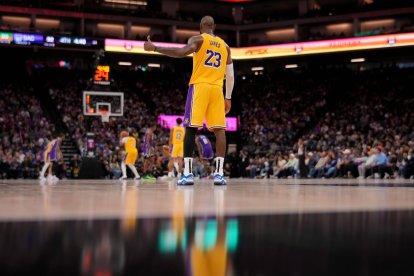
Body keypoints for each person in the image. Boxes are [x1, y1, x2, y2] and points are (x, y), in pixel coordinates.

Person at [144, 15, 234, 186]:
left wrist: (155, 48)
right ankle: (219, 174)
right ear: (213, 27)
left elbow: (181, 52)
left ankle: (187, 173)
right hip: (217, 90)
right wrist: (228, 97)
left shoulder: (198, 39)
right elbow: (230, 75)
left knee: (191, 128)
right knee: (220, 131)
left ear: (201, 26)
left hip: (200, 87)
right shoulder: (225, 46)